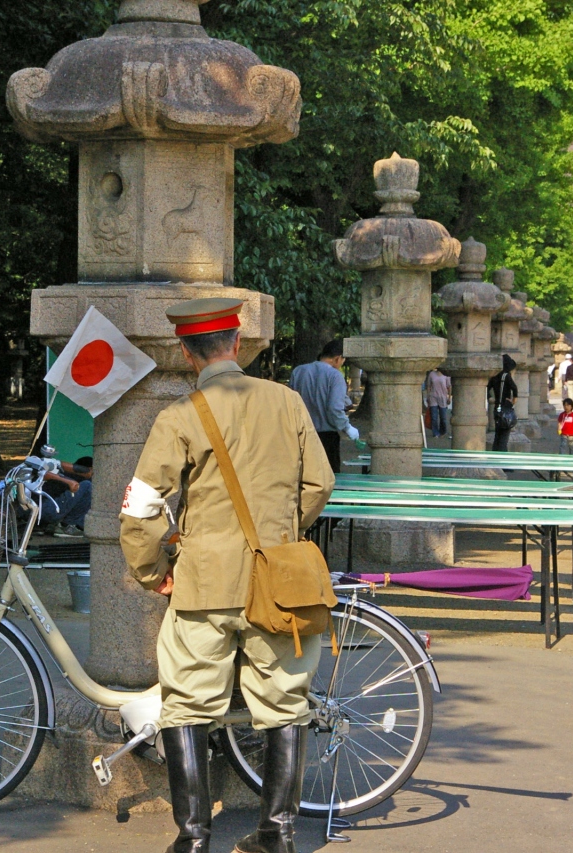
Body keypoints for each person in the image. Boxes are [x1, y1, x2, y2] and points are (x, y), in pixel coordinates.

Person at [120, 297, 333, 853]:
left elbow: (142, 507)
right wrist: (278, 538)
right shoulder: (287, 402)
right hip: (279, 584)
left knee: (187, 706)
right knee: (285, 705)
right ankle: (277, 836)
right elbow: (320, 485)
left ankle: (193, 840)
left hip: (202, 584)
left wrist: (152, 573)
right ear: (237, 345)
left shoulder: (180, 416)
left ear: (188, 354)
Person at [289, 339, 358, 473]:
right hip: (326, 437)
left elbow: (291, 402)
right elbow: (334, 408)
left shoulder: (298, 372)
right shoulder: (335, 376)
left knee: (303, 476)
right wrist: (347, 427)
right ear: (338, 358)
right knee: (329, 478)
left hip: (300, 434)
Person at [38, 455, 93, 537]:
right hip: (46, 510)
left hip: (39, 511)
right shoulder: (79, 478)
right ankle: (67, 526)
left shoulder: (64, 474)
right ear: (90, 469)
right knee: (89, 486)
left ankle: (56, 525)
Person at [487, 354, 519, 452]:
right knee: (504, 437)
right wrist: (514, 400)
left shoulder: (494, 375)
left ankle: (495, 454)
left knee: (498, 434)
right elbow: (514, 388)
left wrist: (490, 397)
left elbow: (488, 387)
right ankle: (503, 460)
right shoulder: (506, 375)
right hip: (506, 406)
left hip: (497, 406)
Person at [423, 367, 452, 439]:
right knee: (434, 417)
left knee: (443, 417)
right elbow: (429, 386)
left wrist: (449, 397)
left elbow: (449, 386)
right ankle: (435, 432)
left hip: (443, 397)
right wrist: (428, 396)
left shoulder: (446, 375)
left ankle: (443, 431)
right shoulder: (432, 374)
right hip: (433, 397)